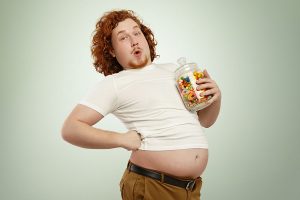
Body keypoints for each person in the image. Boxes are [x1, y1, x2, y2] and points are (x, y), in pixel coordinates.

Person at [61, 9, 221, 200]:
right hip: (152, 185)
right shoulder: (114, 84)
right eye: (123, 37)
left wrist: (215, 98)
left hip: (190, 189)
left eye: (137, 33)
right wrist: (120, 139)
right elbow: (71, 128)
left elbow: (205, 121)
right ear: (111, 51)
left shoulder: (174, 71)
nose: (134, 40)